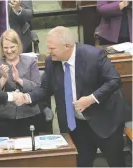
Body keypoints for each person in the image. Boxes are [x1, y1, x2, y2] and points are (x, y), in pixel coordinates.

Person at [15, 26, 126, 167]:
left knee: (116, 163)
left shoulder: (94, 55)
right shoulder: (51, 62)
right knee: (81, 163)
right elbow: (45, 89)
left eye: (52, 48)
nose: (48, 52)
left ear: (67, 46)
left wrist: (91, 98)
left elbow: (115, 80)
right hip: (76, 125)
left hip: (104, 121)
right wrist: (27, 97)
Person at [0, 29, 44, 137]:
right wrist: (3, 78)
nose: (9, 51)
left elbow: (38, 88)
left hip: (28, 114)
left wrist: (19, 80)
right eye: (5, 48)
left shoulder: (30, 62)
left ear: (18, 46)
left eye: (12, 47)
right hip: (2, 116)